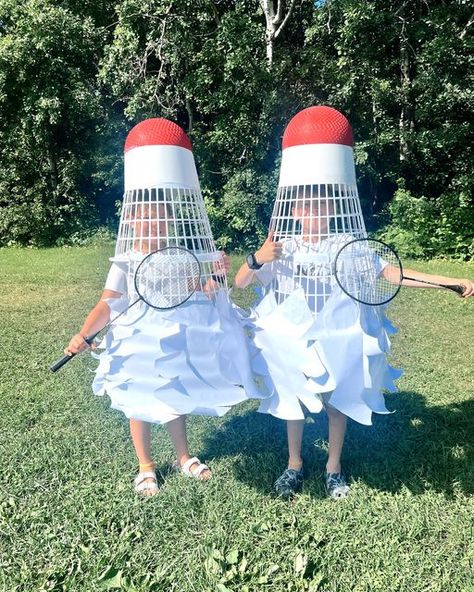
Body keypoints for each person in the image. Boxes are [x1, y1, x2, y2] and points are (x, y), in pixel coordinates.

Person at [63, 118, 262, 496]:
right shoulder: (126, 259)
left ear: (170, 222)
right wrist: (85, 333)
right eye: (146, 218)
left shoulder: (182, 256)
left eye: (161, 218)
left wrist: (217, 276)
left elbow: (201, 290)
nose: (154, 223)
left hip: (173, 334)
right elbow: (108, 303)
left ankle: (183, 456)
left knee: (175, 392)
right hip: (136, 336)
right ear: (133, 221)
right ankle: (146, 464)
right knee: (138, 398)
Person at [235, 192, 473, 499]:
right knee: (294, 402)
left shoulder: (348, 247)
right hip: (294, 338)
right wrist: (258, 258)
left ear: (333, 208)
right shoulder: (283, 247)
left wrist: (445, 280)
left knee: (337, 403)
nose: (315, 211)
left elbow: (391, 273)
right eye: (306, 205)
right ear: (294, 211)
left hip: (337, 336)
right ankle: (294, 464)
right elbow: (240, 282)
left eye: (321, 204)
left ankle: (333, 468)